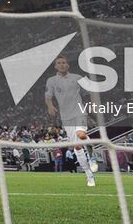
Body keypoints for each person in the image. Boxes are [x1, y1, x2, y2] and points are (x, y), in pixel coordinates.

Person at [44, 55, 97, 187]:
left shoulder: (77, 77)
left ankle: (92, 156)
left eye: (64, 62)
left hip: (79, 112)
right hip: (66, 117)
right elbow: (48, 97)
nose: (62, 65)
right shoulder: (51, 81)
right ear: (55, 66)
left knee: (81, 134)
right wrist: (50, 106)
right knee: (77, 147)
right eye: (59, 63)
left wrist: (94, 102)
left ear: (68, 65)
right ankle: (89, 176)